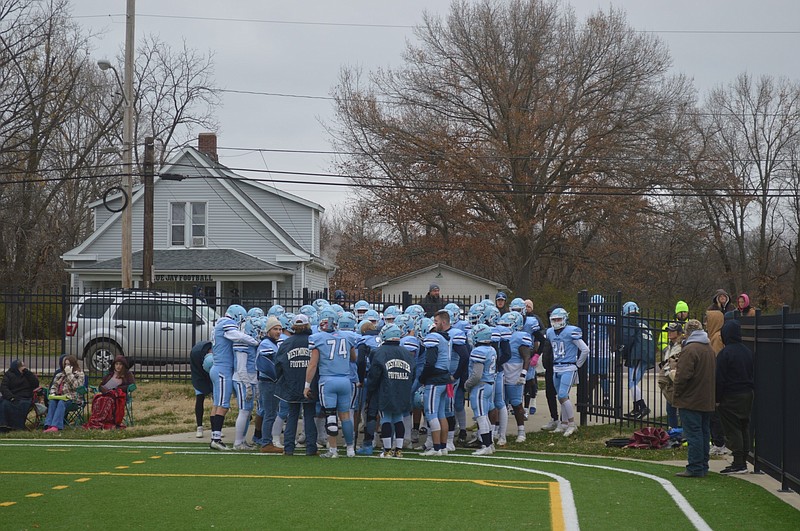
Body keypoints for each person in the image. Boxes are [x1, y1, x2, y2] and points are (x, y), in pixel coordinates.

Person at [305, 309, 357, 458]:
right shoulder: (348, 337)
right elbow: (353, 358)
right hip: (345, 380)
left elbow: (313, 365)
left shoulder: (317, 338)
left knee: (330, 415)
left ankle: (333, 450)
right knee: (346, 416)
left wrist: (307, 385)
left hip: (327, 380)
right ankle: (350, 449)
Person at [209, 304, 259, 451]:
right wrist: (254, 341)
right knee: (223, 405)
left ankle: (214, 436)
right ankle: (216, 439)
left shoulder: (219, 323)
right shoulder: (226, 323)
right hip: (223, 369)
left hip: (217, 367)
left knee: (217, 404)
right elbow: (235, 335)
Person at [673, 319, 716, 477]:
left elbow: (682, 376)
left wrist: (676, 393)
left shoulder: (690, 349)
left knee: (694, 434)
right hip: (706, 398)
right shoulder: (709, 348)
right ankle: (703, 465)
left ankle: (695, 466)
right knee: (704, 433)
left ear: (687, 332)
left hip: (691, 399)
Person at [366, 324, 415, 457]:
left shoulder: (379, 352)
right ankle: (398, 449)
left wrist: (370, 389)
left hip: (385, 389)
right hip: (403, 388)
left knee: (386, 418)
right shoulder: (406, 352)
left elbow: (374, 374)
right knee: (398, 418)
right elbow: (413, 373)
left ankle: (387, 450)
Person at [274, 314, 318, 456]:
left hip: (291, 384)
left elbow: (278, 365)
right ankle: (311, 448)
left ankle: (288, 448)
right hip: (309, 384)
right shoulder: (313, 341)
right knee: (309, 416)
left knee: (292, 415)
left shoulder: (286, 343)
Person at [716, 320, 754, 474]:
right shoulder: (747, 351)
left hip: (731, 395)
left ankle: (738, 462)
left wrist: (717, 399)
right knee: (744, 425)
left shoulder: (725, 353)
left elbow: (719, 378)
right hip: (747, 393)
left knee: (733, 428)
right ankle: (744, 458)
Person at [545, 308, 589, 437]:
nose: (556, 322)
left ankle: (571, 424)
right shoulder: (550, 332)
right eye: (554, 319)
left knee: (563, 395)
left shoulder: (571, 331)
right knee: (561, 396)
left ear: (565, 319)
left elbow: (585, 349)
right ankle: (563, 423)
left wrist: (577, 365)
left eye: (559, 319)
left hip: (568, 367)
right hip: (556, 367)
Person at [419, 310, 454, 456]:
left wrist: (422, 378)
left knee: (431, 413)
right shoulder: (445, 337)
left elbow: (430, 362)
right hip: (444, 378)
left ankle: (436, 447)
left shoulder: (433, 337)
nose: (435, 323)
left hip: (435, 380)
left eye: (436, 320)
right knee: (441, 414)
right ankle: (443, 446)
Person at [464, 323, 497, 455]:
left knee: (481, 416)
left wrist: (467, 384)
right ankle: (489, 444)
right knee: (484, 416)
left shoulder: (479, 351)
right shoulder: (491, 349)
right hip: (489, 385)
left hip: (481, 386)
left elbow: (477, 374)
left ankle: (487, 445)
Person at [620, 301, 655, 419]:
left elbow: (627, 338)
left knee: (632, 382)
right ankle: (636, 408)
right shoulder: (644, 322)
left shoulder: (629, 321)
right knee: (633, 382)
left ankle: (643, 407)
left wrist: (623, 352)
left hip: (638, 354)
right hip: (646, 353)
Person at [258, 316, 286, 454]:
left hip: (270, 382)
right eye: (275, 329)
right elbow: (265, 365)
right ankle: (266, 443)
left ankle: (265, 441)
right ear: (268, 330)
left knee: (270, 412)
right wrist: (277, 375)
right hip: (269, 382)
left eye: (280, 329)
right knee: (270, 413)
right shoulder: (266, 344)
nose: (278, 331)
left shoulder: (272, 343)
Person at [43, 355, 85, 432]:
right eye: (65, 364)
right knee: (52, 402)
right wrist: (52, 393)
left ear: (73, 364)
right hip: (59, 397)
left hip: (73, 399)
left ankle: (56, 426)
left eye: (68, 364)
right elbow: (54, 386)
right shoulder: (59, 375)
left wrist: (69, 374)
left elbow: (76, 386)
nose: (66, 366)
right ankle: (48, 424)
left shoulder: (79, 374)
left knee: (61, 403)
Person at [0, 359, 39, 432]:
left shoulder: (27, 375)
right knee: (4, 404)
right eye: (21, 366)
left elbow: (35, 384)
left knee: (22, 404)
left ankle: (17, 426)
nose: (23, 367)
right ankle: (3, 425)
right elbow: (4, 387)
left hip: (25, 397)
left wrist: (28, 373)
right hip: (12, 396)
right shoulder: (8, 375)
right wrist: (11, 397)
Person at [658, 322, 684, 429]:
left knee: (680, 408)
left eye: (672, 331)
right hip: (669, 379)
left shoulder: (682, 345)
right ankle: (673, 430)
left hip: (677, 378)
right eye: (668, 331)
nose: (669, 333)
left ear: (678, 333)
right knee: (670, 408)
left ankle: (682, 431)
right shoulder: (669, 346)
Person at [189, 340, 213, 438]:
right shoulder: (196, 354)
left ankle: (215, 428)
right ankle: (199, 427)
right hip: (198, 374)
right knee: (200, 398)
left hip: (211, 373)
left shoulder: (215, 351)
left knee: (217, 402)